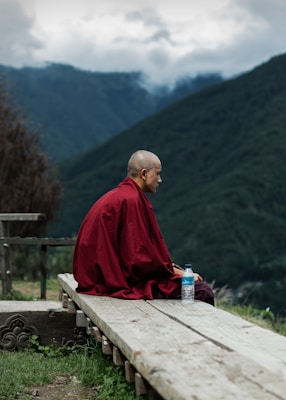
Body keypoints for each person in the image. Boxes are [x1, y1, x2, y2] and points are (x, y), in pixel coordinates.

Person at [73, 150, 214, 305]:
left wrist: (175, 270)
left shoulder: (119, 195)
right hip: (112, 282)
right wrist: (181, 274)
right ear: (144, 174)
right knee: (202, 291)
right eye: (158, 174)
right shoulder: (131, 200)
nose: (160, 180)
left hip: (95, 277)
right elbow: (139, 259)